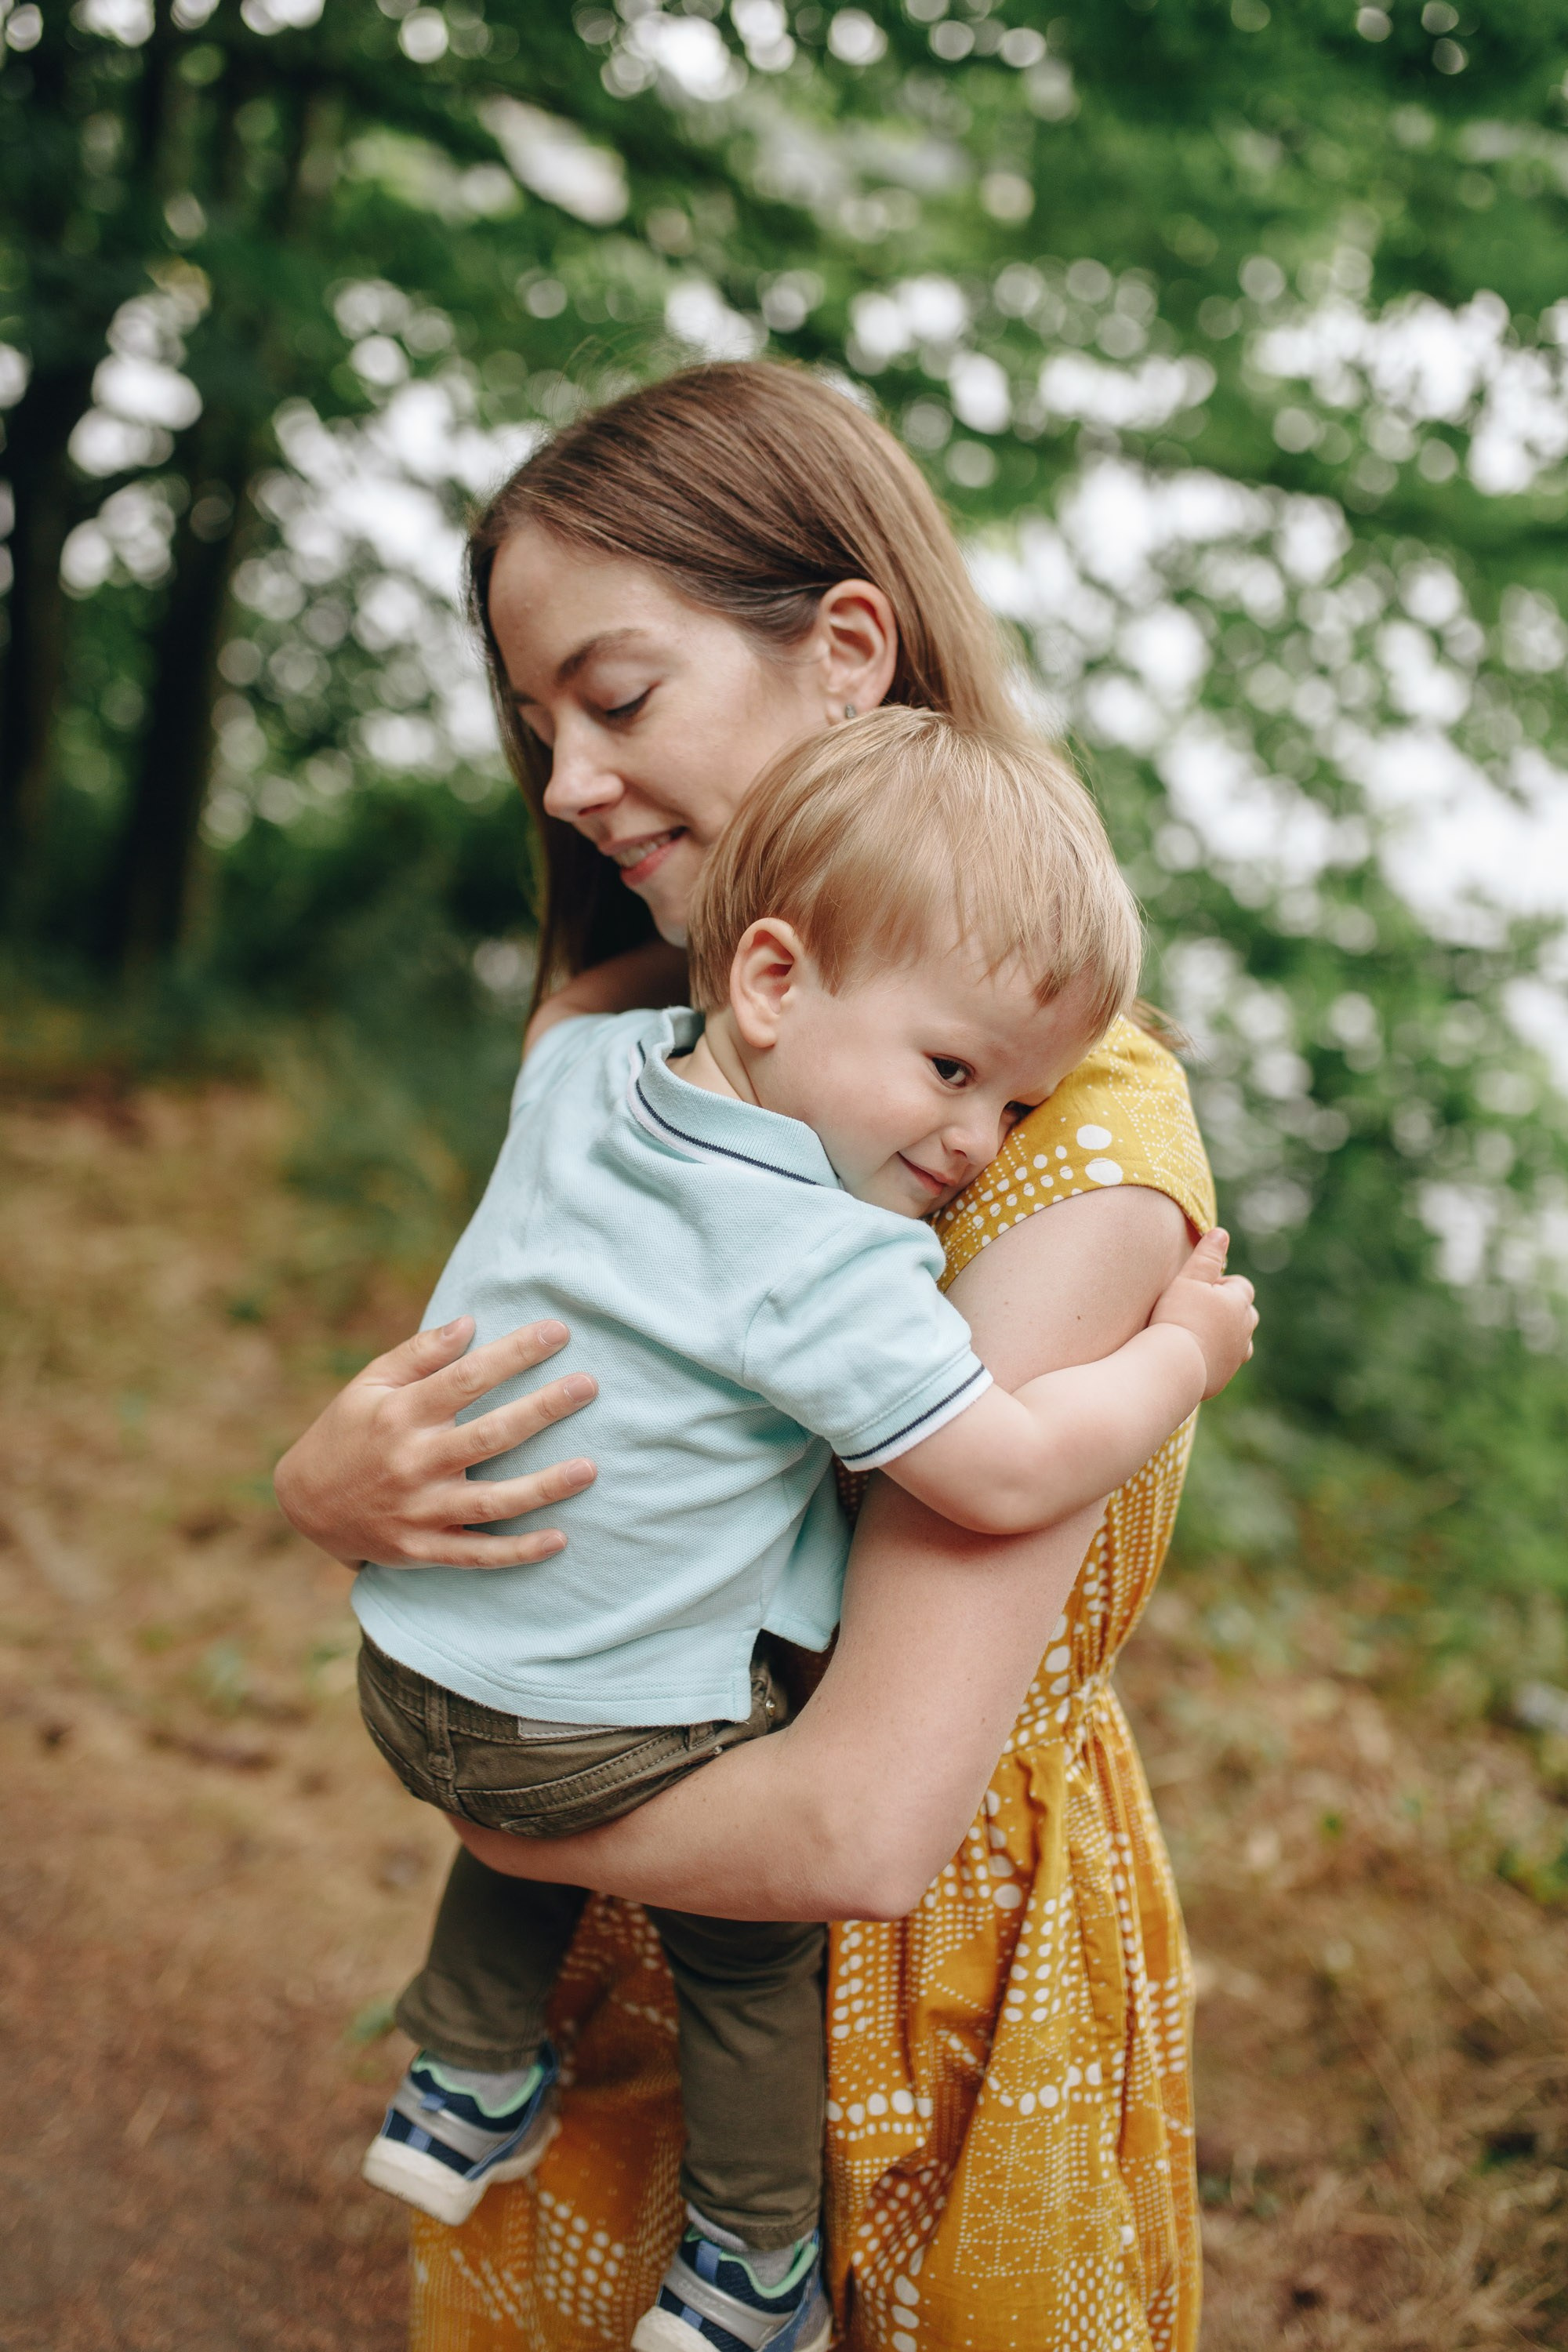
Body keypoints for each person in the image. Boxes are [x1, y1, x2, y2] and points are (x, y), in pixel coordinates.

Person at [274, 361, 1224, 2352]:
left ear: (846, 654)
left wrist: (484, 1800)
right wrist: (332, 1483)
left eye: (614, 702)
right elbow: (587, 1412)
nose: (561, 783)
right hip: (643, 1923)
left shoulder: (1058, 1164)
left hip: (876, 1995)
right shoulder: (683, 1053)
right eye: (539, 727)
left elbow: (859, 1829)